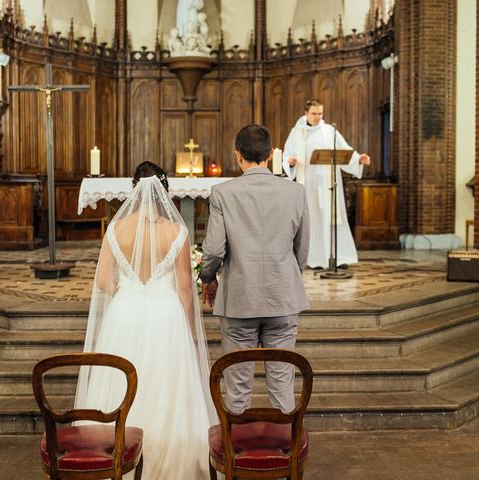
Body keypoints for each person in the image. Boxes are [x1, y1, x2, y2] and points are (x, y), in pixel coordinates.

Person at [75, 162, 215, 479]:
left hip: (124, 313)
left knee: (121, 385)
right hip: (166, 316)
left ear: (134, 190)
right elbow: (183, 287)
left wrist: (126, 291)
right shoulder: (176, 231)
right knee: (166, 385)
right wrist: (188, 332)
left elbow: (101, 281)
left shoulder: (116, 229)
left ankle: (114, 457)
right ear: (164, 192)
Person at [200, 124, 310, 414]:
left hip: (239, 298)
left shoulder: (223, 192)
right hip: (283, 297)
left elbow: (213, 249)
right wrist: (286, 277)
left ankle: (235, 453)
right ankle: (285, 450)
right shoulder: (295, 192)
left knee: (237, 387)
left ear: (238, 155)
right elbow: (303, 249)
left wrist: (208, 278)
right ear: (271, 153)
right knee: (282, 382)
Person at [283, 99, 371, 269]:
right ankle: (314, 259)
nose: (317, 117)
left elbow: (345, 151)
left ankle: (338, 257)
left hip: (330, 183)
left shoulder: (330, 131)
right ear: (305, 114)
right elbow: (288, 154)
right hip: (309, 184)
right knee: (313, 220)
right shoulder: (297, 132)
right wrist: (290, 161)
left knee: (333, 219)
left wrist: (358, 158)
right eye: (314, 113)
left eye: (320, 113)